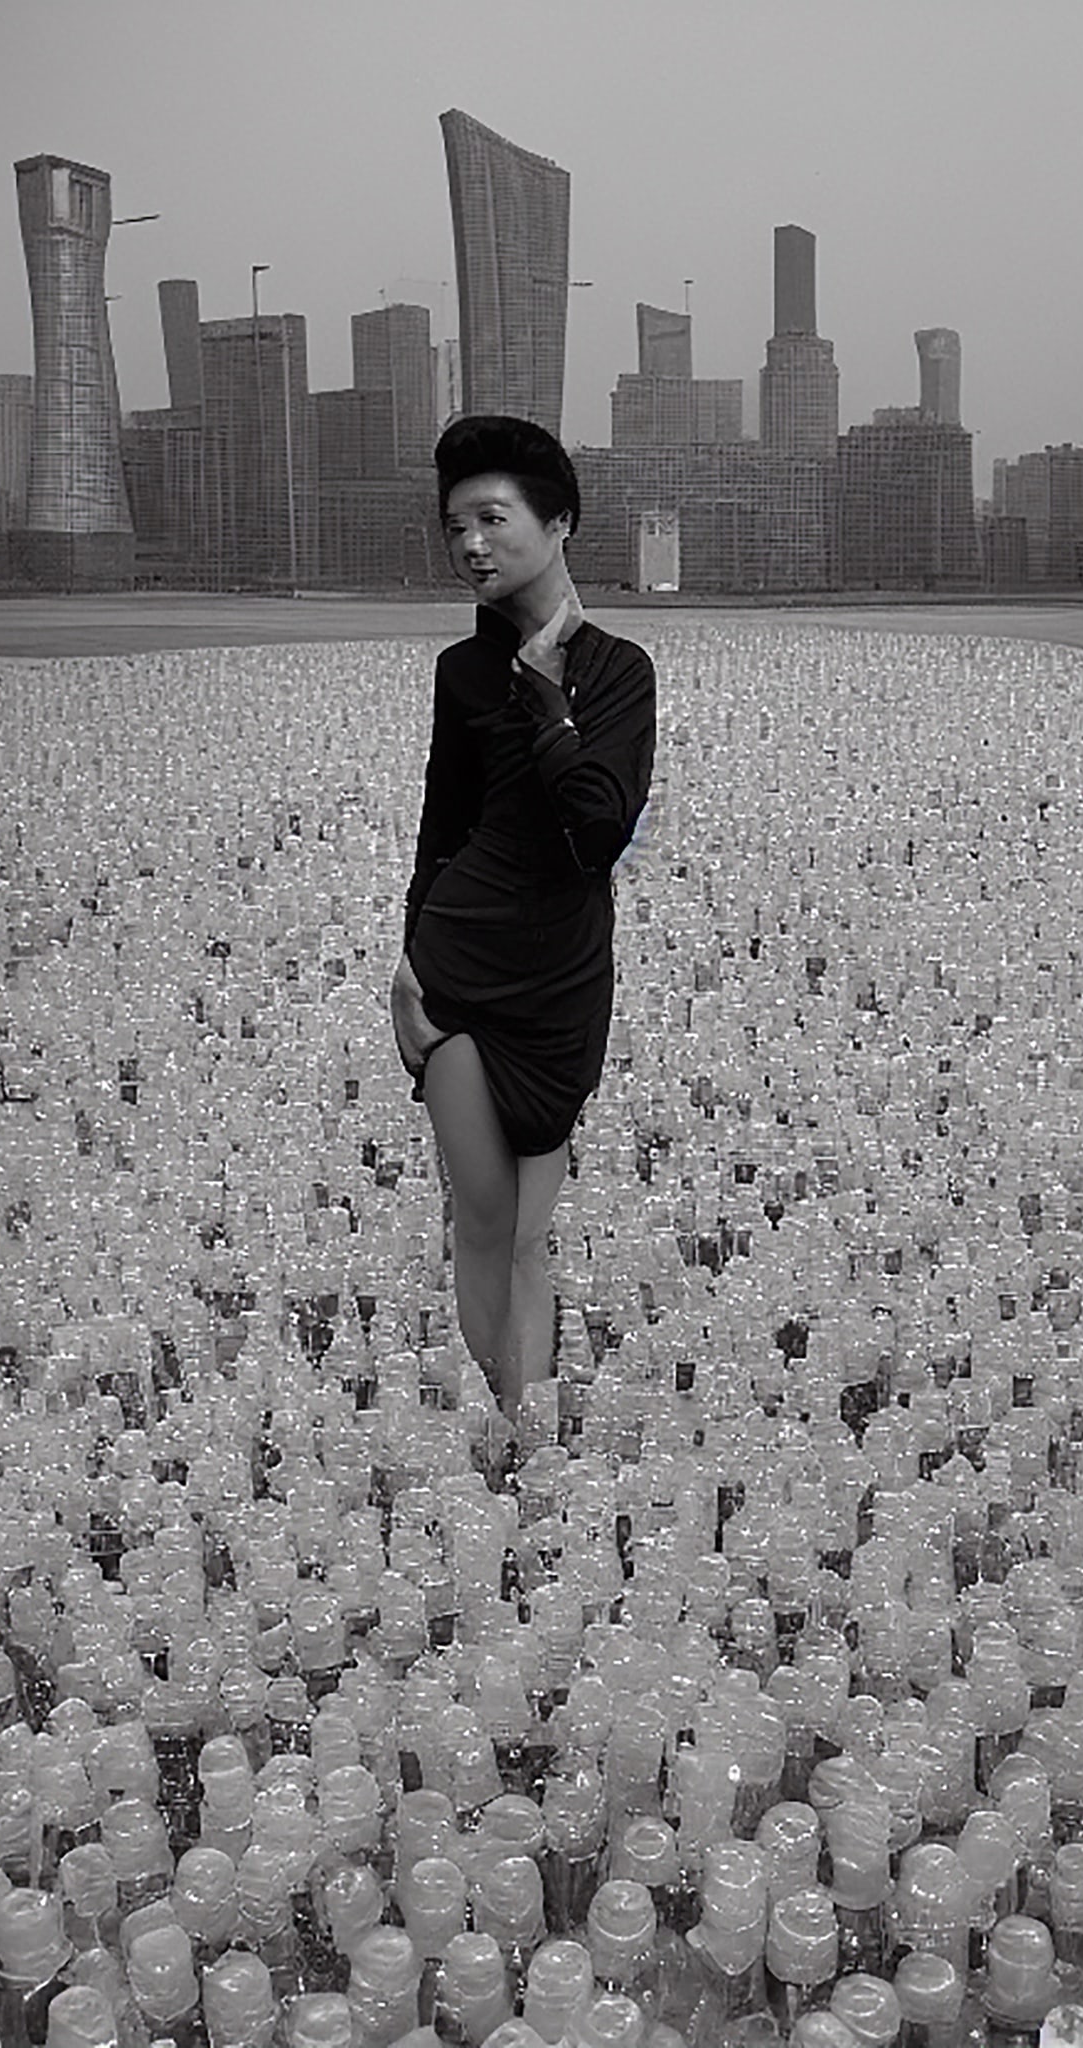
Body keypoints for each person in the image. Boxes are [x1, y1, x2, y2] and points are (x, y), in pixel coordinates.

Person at [391, 415, 656, 1425]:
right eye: (454, 526)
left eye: (491, 519)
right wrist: (409, 967)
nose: (469, 545)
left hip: (562, 986)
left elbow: (597, 829)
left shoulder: (618, 670)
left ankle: (525, 1426)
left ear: (559, 523)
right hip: (458, 975)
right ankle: (516, 1428)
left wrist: (545, 690)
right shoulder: (461, 673)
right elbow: (441, 825)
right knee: (487, 1220)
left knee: (535, 1234)